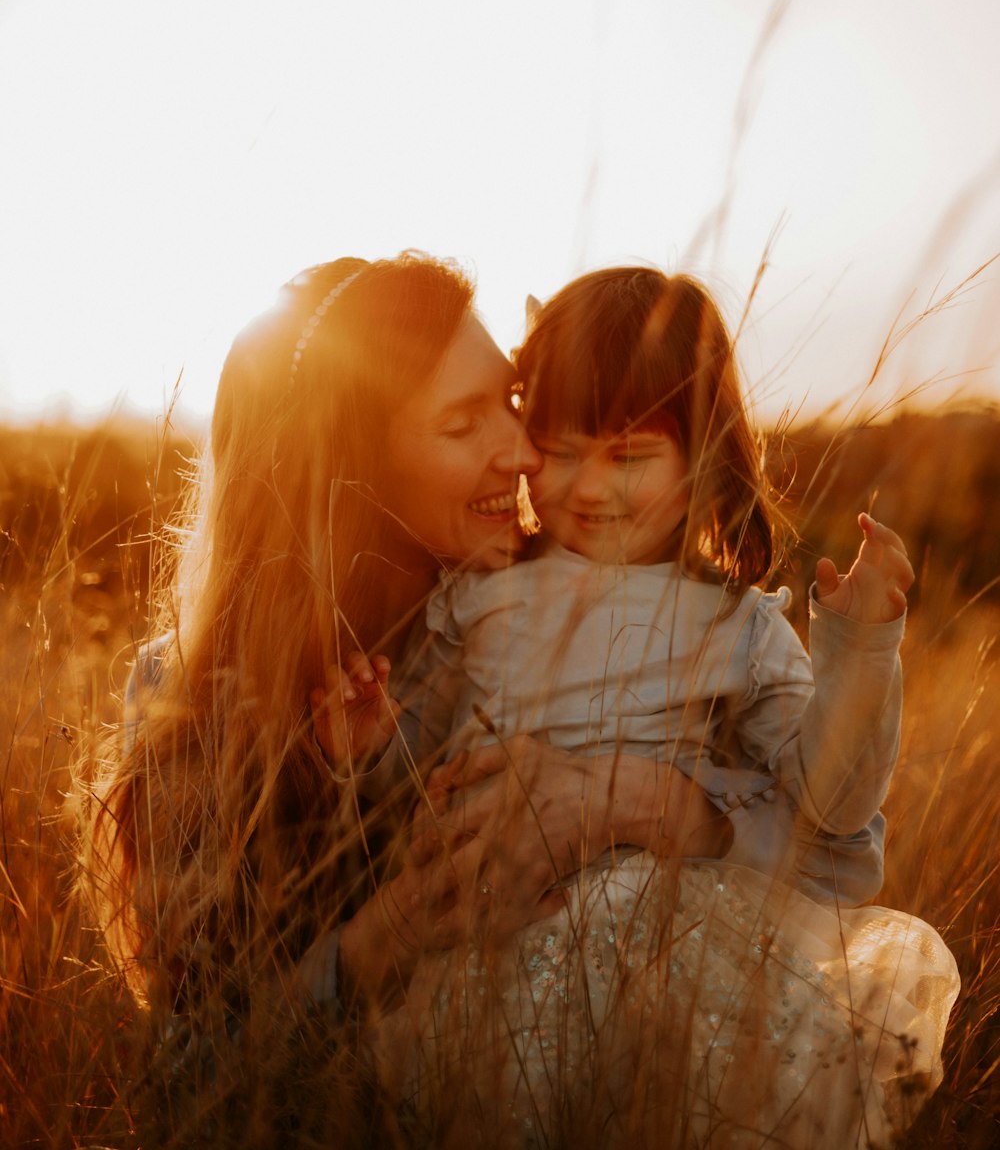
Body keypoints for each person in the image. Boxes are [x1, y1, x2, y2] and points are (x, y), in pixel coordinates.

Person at [87, 253, 747, 1138]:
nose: (521, 452)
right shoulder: (185, 696)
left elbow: (813, 848)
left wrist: (647, 801)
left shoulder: (559, 620)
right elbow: (189, 1079)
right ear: (351, 464)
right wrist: (377, 945)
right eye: (462, 423)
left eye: (511, 404)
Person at [374, 266, 960, 1149]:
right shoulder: (481, 593)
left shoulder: (737, 623)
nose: (587, 488)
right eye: (561, 449)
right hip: (493, 943)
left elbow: (833, 821)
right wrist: (365, 746)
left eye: (631, 456)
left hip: (670, 947)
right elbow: (406, 774)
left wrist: (862, 656)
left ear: (704, 457)